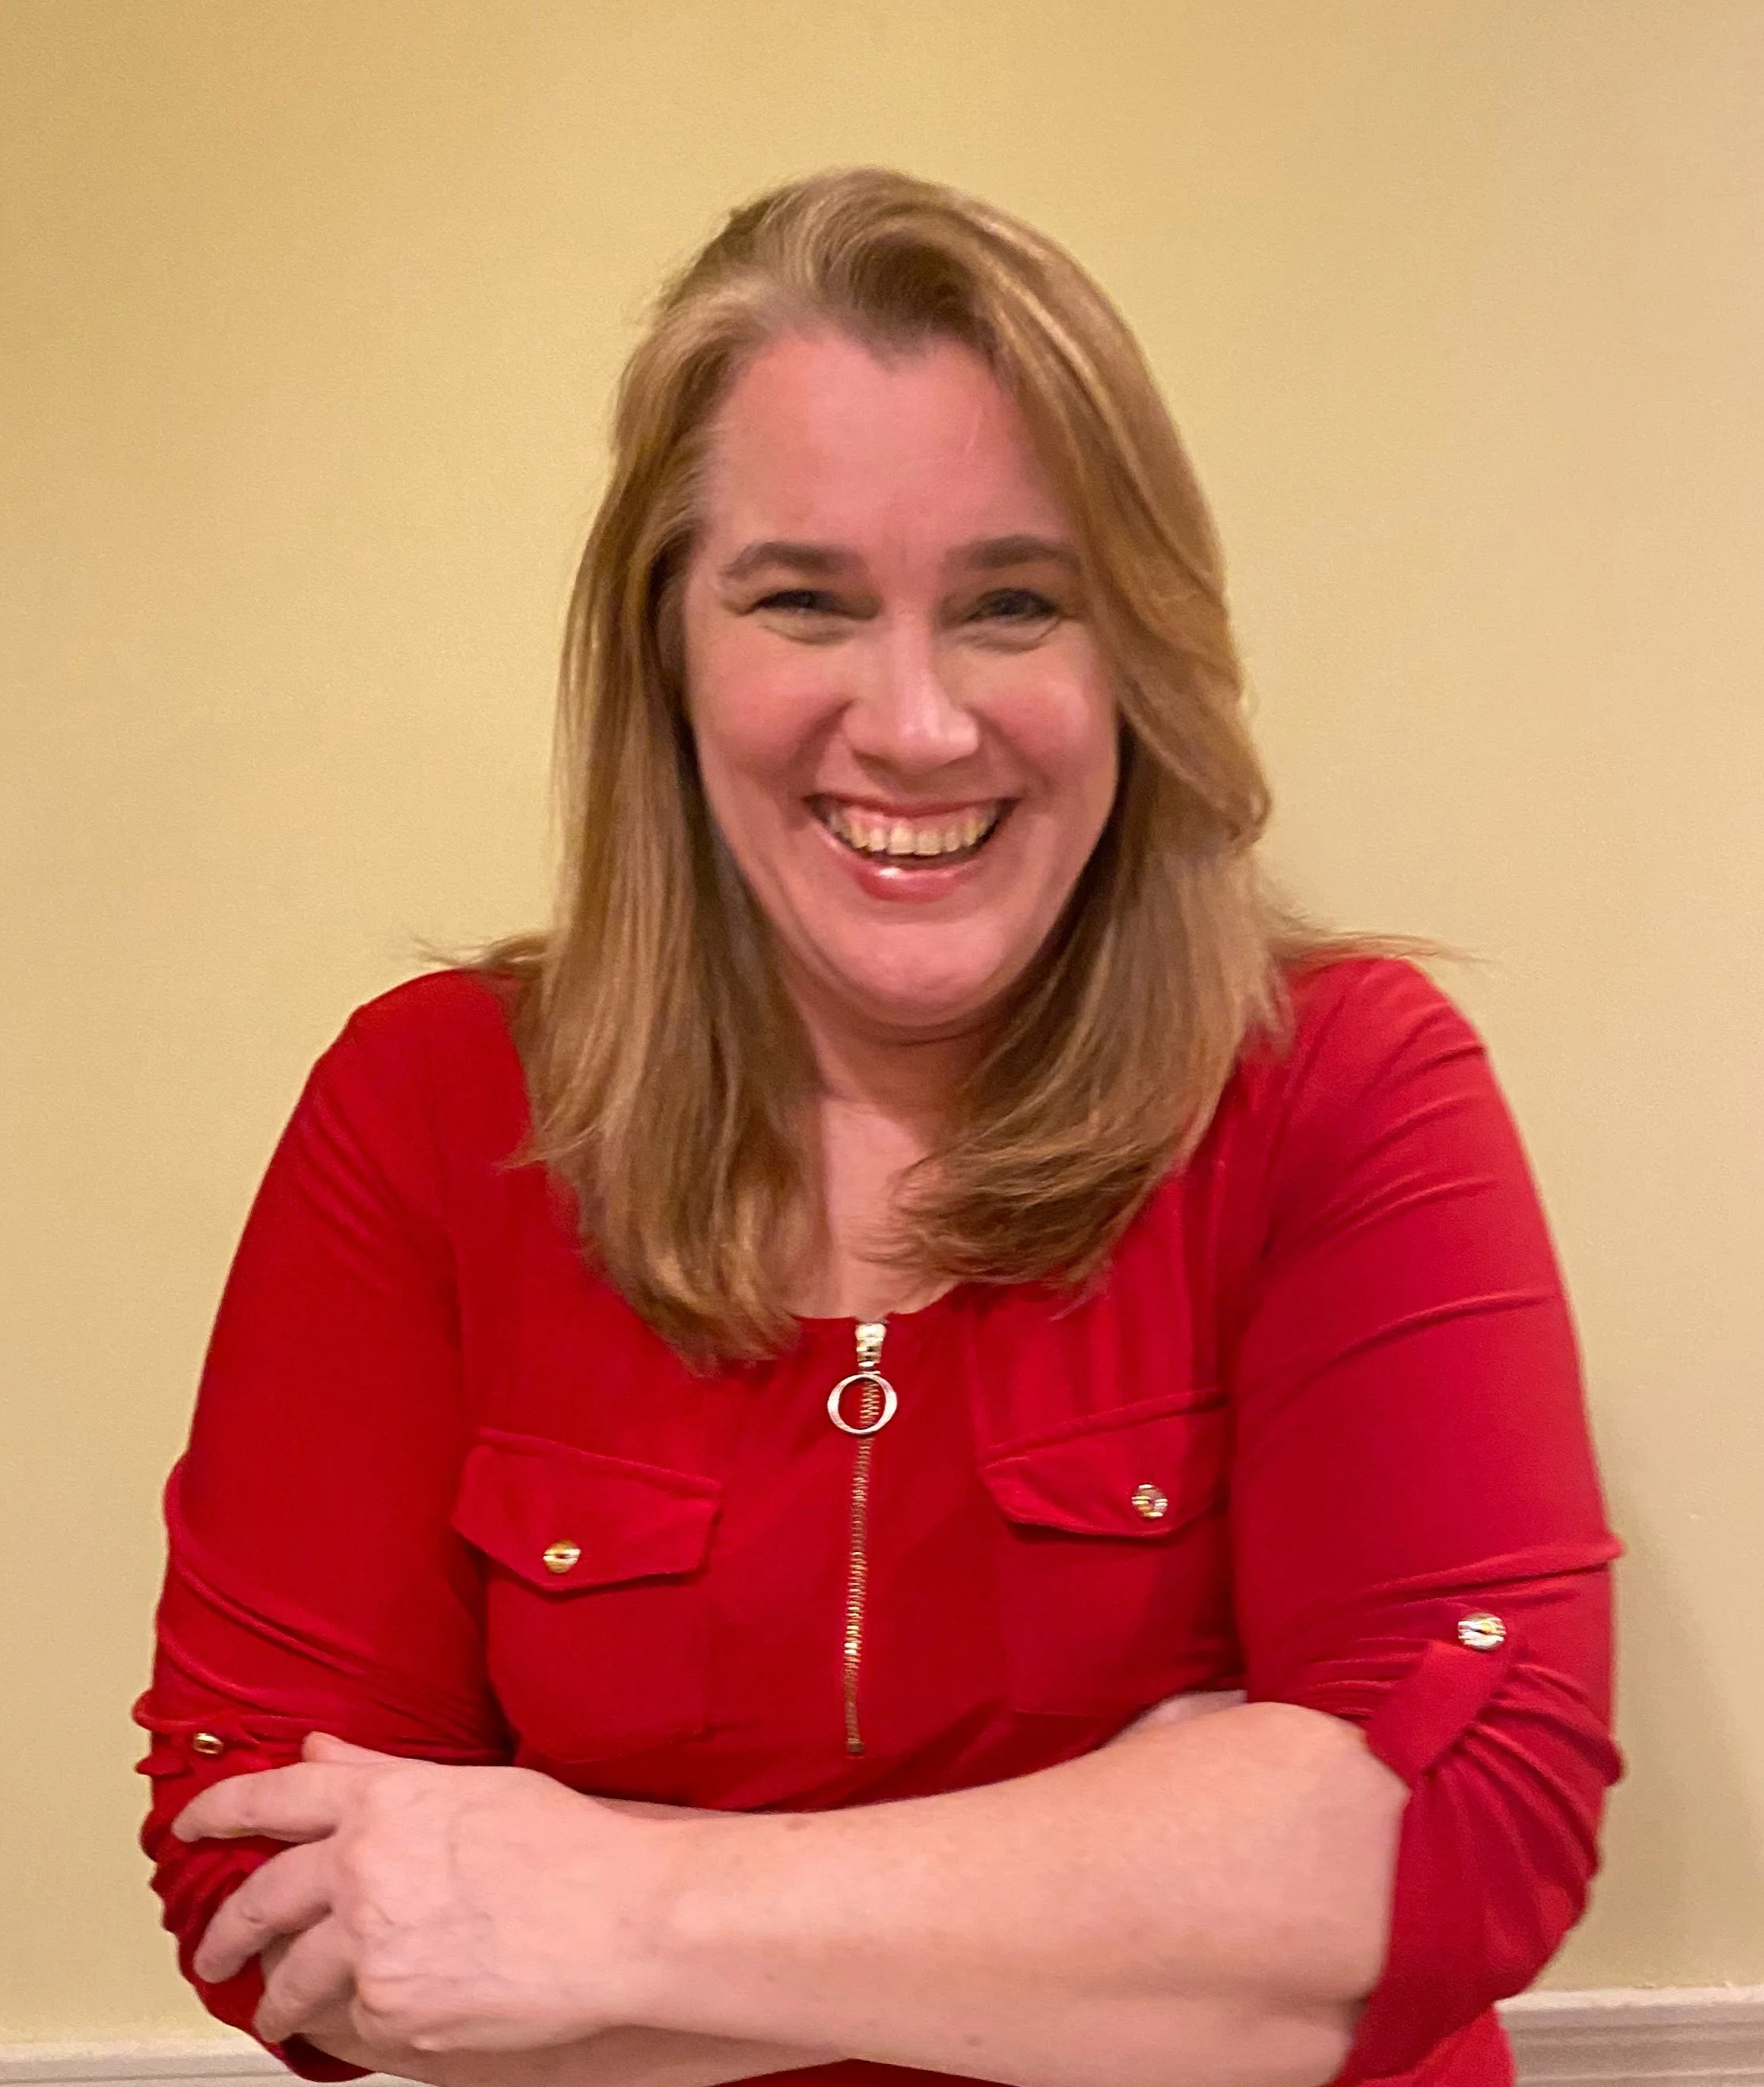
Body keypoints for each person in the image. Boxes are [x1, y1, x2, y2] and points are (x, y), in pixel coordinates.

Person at [136, 168, 1621, 2087]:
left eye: (1014, 601)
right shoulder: (429, 1111)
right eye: (805, 602)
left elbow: (1468, 1841)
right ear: (663, 652)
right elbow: (259, 1893)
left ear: (1135, 659)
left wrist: (595, 1904)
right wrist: (1173, 1903)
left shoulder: (1342, 1085)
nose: (916, 725)